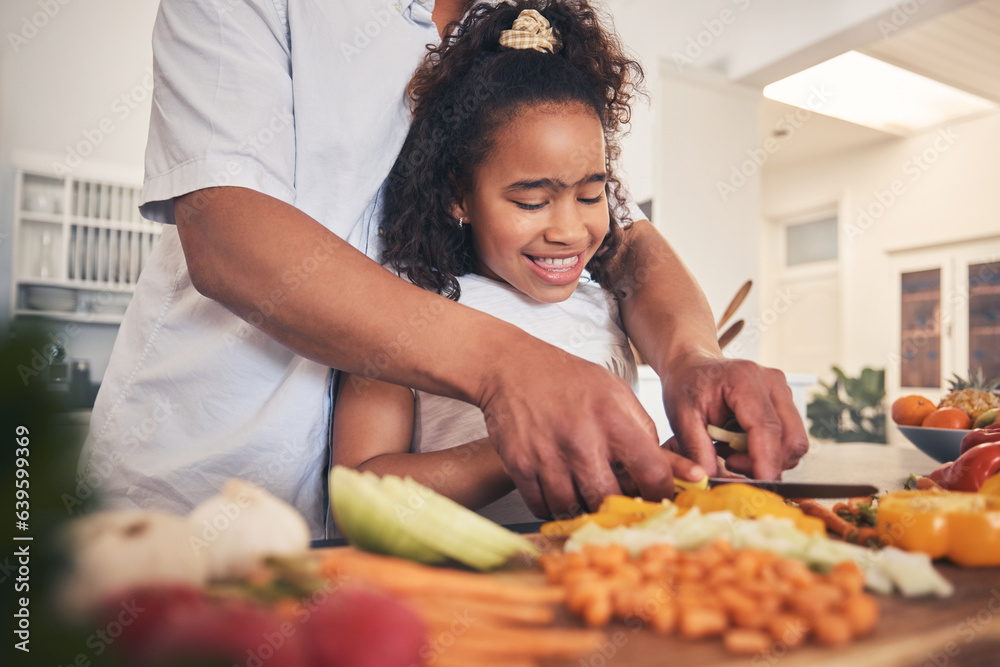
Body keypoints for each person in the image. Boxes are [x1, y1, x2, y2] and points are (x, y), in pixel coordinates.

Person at [79, 0, 807, 538]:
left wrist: (693, 357)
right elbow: (227, 229)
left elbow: (626, 238)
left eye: (582, 194)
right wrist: (509, 373)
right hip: (199, 492)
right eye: (532, 198)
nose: (567, 217)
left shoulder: (515, 32)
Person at [332, 2, 707, 523]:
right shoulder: (407, 303)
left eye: (592, 195)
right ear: (458, 196)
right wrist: (520, 447)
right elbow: (358, 489)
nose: (570, 231)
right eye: (531, 202)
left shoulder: (609, 304)